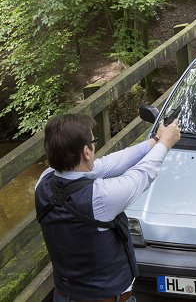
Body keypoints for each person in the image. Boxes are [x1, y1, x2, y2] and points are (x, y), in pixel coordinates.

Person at [35, 113, 180, 302]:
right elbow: (142, 174)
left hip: (64, 295)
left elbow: (109, 163)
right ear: (87, 152)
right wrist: (166, 143)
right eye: (93, 141)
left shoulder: (44, 180)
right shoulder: (100, 197)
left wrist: (154, 140)